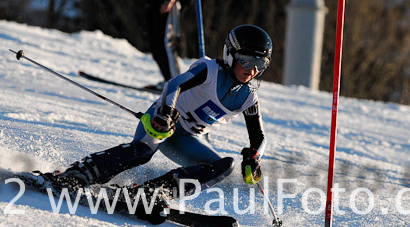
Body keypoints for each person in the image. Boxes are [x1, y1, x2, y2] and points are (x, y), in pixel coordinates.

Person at [44, 25, 272, 208]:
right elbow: (175, 85)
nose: (251, 69)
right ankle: (77, 174)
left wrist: (254, 157)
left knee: (223, 166)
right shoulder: (210, 71)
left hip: (185, 140)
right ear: (230, 54)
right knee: (142, 152)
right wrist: (165, 113)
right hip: (161, 122)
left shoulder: (248, 98)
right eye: (245, 60)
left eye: (259, 64)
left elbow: (259, 136)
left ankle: (151, 193)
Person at [143, 0, 187, 90]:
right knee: (155, 45)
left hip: (168, 5)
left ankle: (175, 83)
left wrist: (170, 1)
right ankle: (167, 80)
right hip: (153, 4)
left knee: (166, 44)